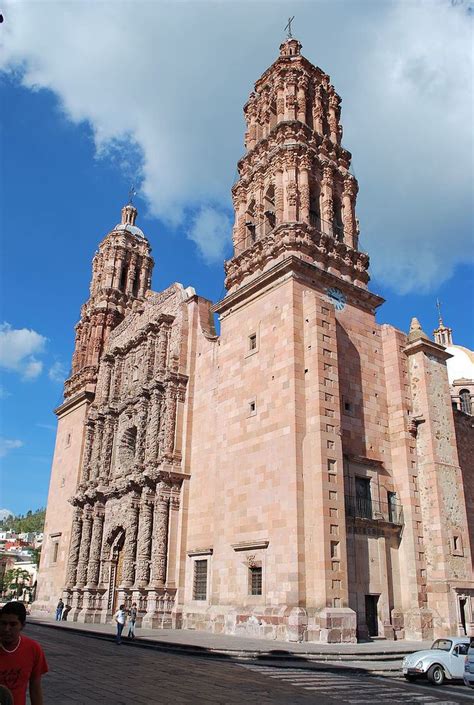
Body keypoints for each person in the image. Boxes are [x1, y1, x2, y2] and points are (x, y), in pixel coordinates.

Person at [0, 601, 48, 705]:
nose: (6, 629)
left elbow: (35, 688)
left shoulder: (34, 649)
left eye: (13, 624)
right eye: (3, 623)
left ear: (22, 625)